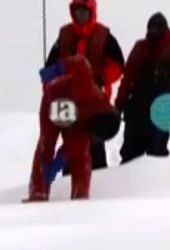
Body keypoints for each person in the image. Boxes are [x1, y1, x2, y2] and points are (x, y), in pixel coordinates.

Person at [25, 55, 121, 201]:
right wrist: (58, 68)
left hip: (72, 119)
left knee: (80, 154)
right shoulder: (89, 91)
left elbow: (74, 146)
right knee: (46, 145)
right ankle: (38, 190)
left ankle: (80, 191)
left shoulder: (88, 127)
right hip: (52, 102)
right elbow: (81, 63)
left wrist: (59, 161)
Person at [46, 0, 125, 170]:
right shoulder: (64, 35)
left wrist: (104, 77)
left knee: (95, 143)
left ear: (92, 13)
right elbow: (51, 66)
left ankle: (98, 186)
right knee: (71, 143)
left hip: (95, 100)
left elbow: (118, 64)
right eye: (78, 12)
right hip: (68, 101)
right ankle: (69, 184)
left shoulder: (104, 36)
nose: (81, 16)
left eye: (84, 12)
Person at [115, 12, 170, 163]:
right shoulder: (140, 48)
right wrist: (119, 104)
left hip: (162, 103)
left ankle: (156, 182)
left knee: (157, 151)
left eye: (158, 28)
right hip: (138, 105)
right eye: (152, 28)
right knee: (131, 152)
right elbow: (128, 77)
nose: (154, 32)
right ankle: (129, 182)